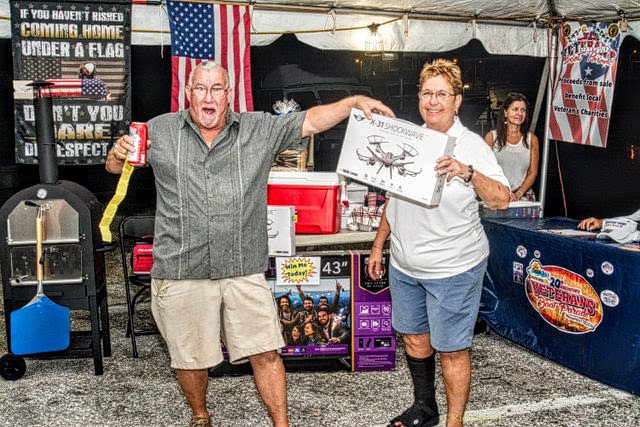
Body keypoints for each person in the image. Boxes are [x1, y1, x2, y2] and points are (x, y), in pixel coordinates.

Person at [105, 60, 393, 427]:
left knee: (266, 351)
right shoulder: (160, 129)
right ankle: (200, 413)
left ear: (228, 94)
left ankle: (281, 424)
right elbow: (115, 168)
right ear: (188, 93)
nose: (208, 97)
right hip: (180, 267)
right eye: (200, 88)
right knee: (190, 358)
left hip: (242, 266)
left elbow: (310, 120)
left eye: (216, 89)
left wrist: (352, 102)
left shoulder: (258, 129)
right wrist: (117, 153)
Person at [367, 59, 509, 427]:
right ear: (418, 97)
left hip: (454, 267)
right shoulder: (409, 140)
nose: (433, 101)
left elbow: (501, 199)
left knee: (451, 349)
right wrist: (379, 245)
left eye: (442, 94)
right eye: (427, 93)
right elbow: (393, 200)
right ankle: (425, 409)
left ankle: (454, 421)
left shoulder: (471, 145)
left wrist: (467, 172)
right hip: (405, 265)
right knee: (415, 340)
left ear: (457, 101)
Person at [484, 92, 539, 202]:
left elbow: (532, 173)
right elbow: (485, 169)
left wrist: (518, 194)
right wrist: (503, 192)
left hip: (524, 198)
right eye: (515, 109)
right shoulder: (491, 137)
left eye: (523, 110)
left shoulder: (532, 139)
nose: (519, 113)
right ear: (505, 112)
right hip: (498, 196)